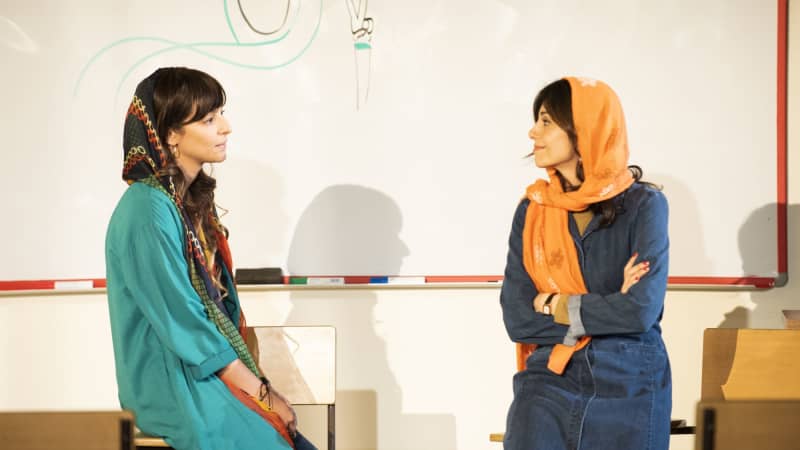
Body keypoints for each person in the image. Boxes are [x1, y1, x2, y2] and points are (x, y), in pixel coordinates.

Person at [105, 67, 317, 450]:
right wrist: (263, 394)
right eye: (208, 119)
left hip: (205, 377)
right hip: (176, 387)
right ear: (171, 135)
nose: (226, 127)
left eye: (220, 113)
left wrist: (261, 390)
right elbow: (183, 321)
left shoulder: (188, 204)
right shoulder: (147, 208)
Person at [499, 76, 671, 450]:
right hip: (550, 375)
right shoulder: (532, 212)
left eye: (546, 121)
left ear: (584, 130)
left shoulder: (644, 206)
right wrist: (609, 305)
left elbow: (640, 311)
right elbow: (517, 317)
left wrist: (554, 302)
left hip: (628, 375)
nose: (533, 132)